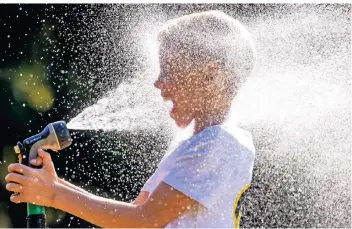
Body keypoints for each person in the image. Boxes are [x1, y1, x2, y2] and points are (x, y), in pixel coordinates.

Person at [5, 10, 257, 228]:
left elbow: (145, 220)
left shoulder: (217, 143)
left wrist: (53, 194)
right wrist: (54, 186)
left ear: (209, 77)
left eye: (169, 70)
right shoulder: (196, 143)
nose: (158, 82)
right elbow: (132, 215)